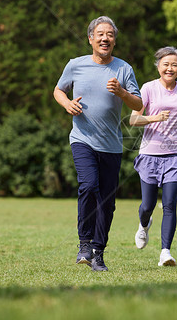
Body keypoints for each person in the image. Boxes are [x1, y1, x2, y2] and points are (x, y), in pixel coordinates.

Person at [54, 16, 142, 271]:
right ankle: (84, 244)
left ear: (114, 40)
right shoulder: (75, 65)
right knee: (88, 184)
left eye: (110, 35)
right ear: (90, 38)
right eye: (100, 34)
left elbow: (138, 104)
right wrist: (66, 103)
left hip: (112, 144)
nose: (105, 38)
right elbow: (58, 90)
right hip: (82, 139)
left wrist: (123, 93)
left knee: (107, 200)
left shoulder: (124, 69)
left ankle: (98, 252)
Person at [129, 46, 177, 266]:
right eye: (166, 64)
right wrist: (154, 118)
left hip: (175, 154)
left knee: (169, 204)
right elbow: (133, 120)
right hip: (150, 153)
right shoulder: (148, 88)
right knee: (147, 205)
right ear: (158, 66)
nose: (170, 68)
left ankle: (165, 252)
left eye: (174, 64)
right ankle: (143, 225)